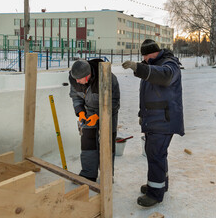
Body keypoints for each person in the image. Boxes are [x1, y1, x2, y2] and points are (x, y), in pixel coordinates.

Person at [122, 39, 184, 207]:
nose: (145, 59)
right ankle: (160, 184)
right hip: (155, 119)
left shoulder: (169, 65)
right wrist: (143, 114)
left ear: (153, 53)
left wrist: (139, 68)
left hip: (164, 119)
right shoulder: (155, 64)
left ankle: (155, 193)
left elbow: (164, 77)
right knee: (157, 153)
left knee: (155, 154)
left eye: (146, 56)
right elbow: (147, 93)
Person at [69, 59, 120, 182]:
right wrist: (80, 111)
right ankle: (88, 174)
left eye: (79, 79)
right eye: (75, 79)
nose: (77, 82)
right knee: (88, 142)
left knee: (107, 143)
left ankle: (107, 175)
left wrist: (98, 115)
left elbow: (114, 102)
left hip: (108, 112)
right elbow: (75, 96)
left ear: (88, 76)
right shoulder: (75, 78)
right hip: (88, 111)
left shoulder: (107, 78)